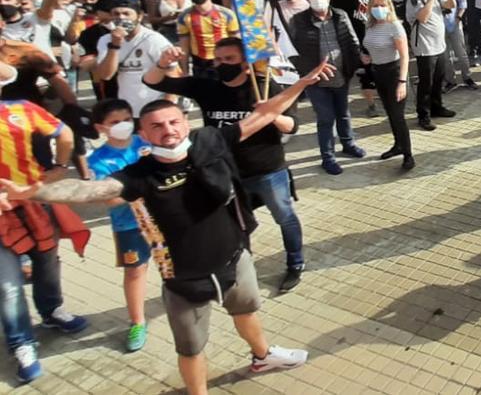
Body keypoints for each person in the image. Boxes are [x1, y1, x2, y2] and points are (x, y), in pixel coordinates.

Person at [0, 59, 337, 394]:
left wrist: (303, 82)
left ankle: (262, 356)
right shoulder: (138, 175)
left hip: (236, 258)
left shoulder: (208, 141)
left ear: (185, 122)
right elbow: (87, 191)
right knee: (191, 349)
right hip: (184, 280)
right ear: (143, 134)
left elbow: (262, 115)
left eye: (174, 121)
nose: (168, 130)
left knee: (247, 311)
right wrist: (33, 191)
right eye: (157, 126)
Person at [144, 38, 307, 292]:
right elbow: (153, 81)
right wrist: (163, 63)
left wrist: (271, 113)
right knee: (235, 225)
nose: (220, 64)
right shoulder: (206, 87)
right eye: (217, 59)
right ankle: (240, 268)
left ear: (245, 63)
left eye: (228, 59)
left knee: (284, 217)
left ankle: (296, 263)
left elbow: (293, 126)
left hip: (267, 170)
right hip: (226, 171)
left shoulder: (265, 87)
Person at [0, 72, 90, 384]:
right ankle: (21, 343)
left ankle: (51, 312)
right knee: (7, 286)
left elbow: (64, 133)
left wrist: (58, 169)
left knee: (47, 261)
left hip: (34, 199)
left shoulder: (22, 108)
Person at [86, 99, 152, 352]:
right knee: (135, 271)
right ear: (101, 128)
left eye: (127, 119)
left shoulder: (146, 142)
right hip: (129, 226)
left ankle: (183, 299)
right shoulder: (98, 160)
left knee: (176, 261)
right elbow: (106, 198)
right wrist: (141, 191)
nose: (123, 125)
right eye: (115, 122)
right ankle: (137, 322)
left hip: (163, 218)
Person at [289, 0, 366, 174]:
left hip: (341, 75)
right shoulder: (299, 20)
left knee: (343, 113)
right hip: (316, 80)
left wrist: (356, 64)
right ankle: (328, 157)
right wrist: (310, 72)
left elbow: (352, 40)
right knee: (325, 118)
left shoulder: (340, 15)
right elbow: (293, 52)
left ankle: (348, 144)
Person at [93, 0, 175, 116]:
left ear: (139, 17)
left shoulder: (153, 39)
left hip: (155, 104)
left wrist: (168, 105)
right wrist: (114, 46)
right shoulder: (105, 40)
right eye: (116, 14)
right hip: (128, 107)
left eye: (126, 14)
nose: (121, 18)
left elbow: (173, 72)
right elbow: (106, 75)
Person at [361, 0, 415, 170]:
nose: (379, 9)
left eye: (382, 5)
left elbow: (405, 55)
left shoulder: (395, 26)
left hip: (394, 72)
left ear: (389, 6)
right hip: (378, 72)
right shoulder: (369, 26)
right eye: (375, 5)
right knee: (390, 113)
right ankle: (397, 145)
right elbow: (369, 46)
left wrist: (401, 81)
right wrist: (365, 56)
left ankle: (408, 154)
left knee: (398, 116)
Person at [406, 0, 457, 130]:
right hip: (424, 48)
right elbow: (423, 17)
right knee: (425, 83)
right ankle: (423, 115)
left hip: (439, 46)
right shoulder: (414, 0)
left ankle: (437, 107)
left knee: (437, 80)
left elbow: (451, 5)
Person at [176, 0, 239, 78]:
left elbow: (235, 40)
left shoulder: (227, 14)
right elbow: (184, 45)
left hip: (224, 60)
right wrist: (184, 71)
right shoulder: (183, 16)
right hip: (200, 62)